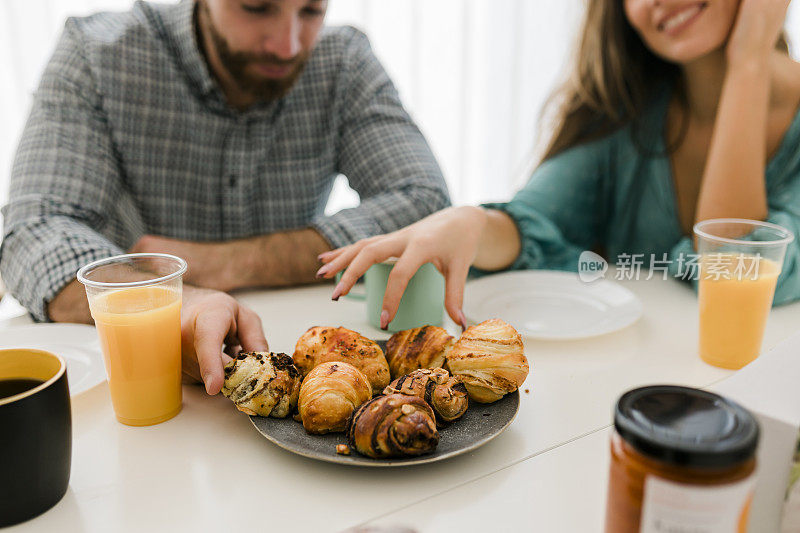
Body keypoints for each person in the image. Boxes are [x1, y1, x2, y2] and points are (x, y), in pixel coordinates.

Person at [0, 0, 449, 394]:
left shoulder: (344, 60)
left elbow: (426, 205)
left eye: (312, 9)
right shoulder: (97, 54)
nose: (288, 45)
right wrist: (171, 301)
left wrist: (223, 263)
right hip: (130, 385)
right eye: (256, 7)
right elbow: (33, 232)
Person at [318, 0, 800, 329]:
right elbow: (530, 224)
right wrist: (468, 220)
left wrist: (751, 61)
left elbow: (735, 273)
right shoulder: (628, 115)